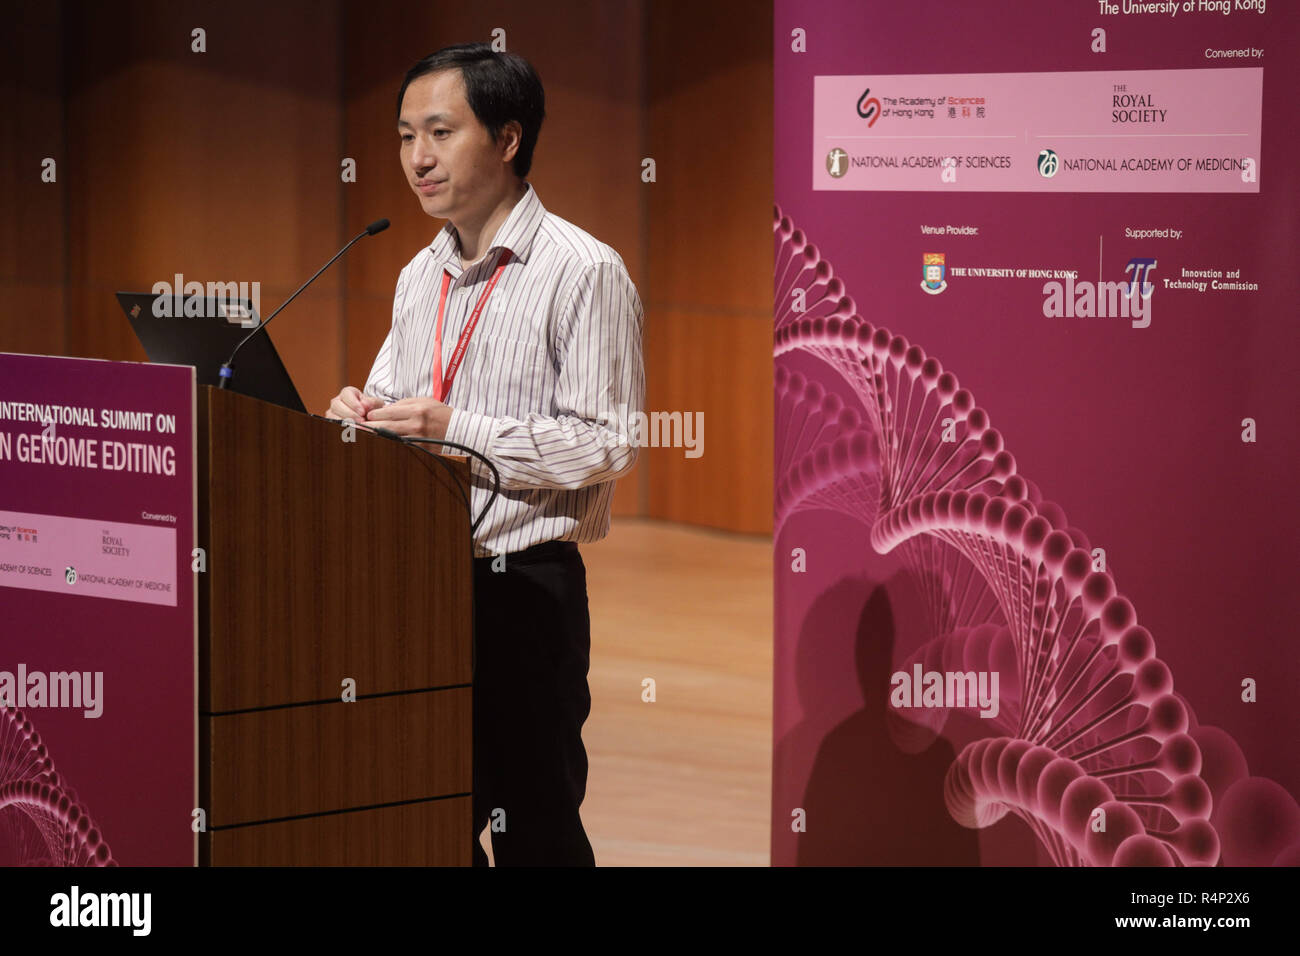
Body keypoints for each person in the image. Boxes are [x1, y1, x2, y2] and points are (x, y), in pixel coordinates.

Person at [324, 42, 645, 866]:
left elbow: (607, 442)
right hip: (415, 585)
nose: (416, 159)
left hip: (521, 593)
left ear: (507, 140)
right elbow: (401, 400)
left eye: (439, 132)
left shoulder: (583, 271)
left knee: (533, 826)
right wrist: (359, 411)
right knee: (423, 816)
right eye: (403, 136)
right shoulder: (416, 273)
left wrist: (452, 427)